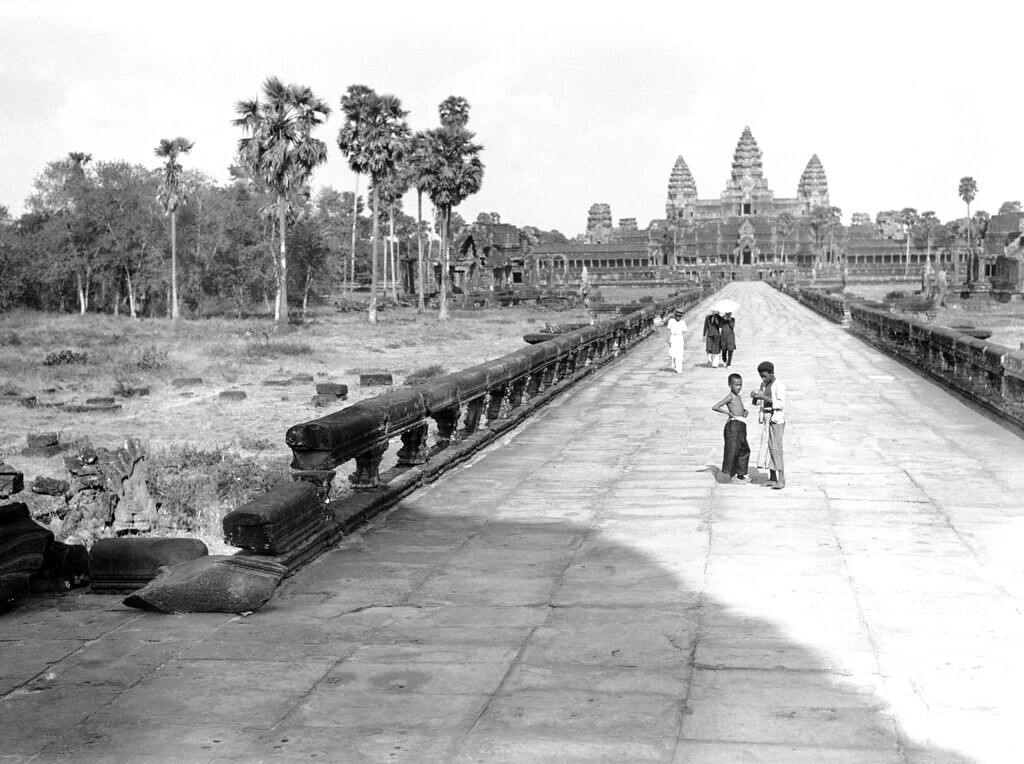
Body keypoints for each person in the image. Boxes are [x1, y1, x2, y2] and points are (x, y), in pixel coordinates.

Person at [751, 360, 786, 489]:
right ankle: (772, 477)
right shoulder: (763, 385)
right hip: (766, 417)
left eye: (765, 376)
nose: (763, 378)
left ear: (772, 373)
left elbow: (781, 404)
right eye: (761, 376)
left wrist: (764, 398)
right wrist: (755, 397)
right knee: (767, 447)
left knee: (776, 449)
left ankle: (781, 479)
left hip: (776, 419)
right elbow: (757, 403)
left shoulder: (779, 385)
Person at [712, 372, 751, 483]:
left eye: (740, 385)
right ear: (730, 385)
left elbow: (738, 409)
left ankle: (740, 475)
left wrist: (744, 412)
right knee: (733, 450)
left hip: (741, 425)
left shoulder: (738, 397)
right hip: (733, 426)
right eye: (736, 385)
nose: (738, 387)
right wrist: (729, 413)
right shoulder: (730, 396)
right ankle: (733, 475)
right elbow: (715, 407)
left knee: (744, 449)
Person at [665, 308, 688, 373]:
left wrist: (685, 343)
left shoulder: (683, 322)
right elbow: (668, 331)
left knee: (680, 354)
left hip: (680, 338)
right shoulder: (671, 321)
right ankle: (674, 362)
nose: (678, 317)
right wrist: (668, 339)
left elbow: (684, 334)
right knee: (672, 354)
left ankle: (679, 369)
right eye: (677, 315)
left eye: (679, 316)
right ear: (675, 315)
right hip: (673, 337)